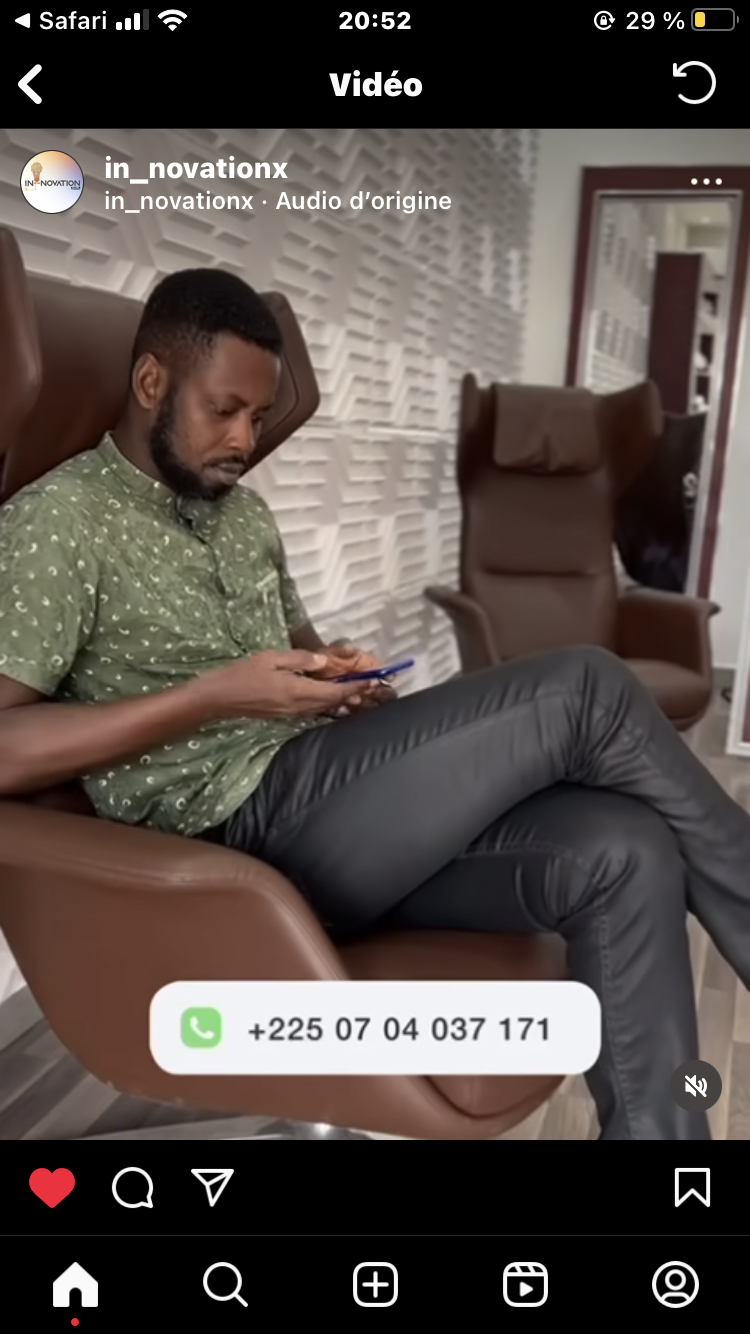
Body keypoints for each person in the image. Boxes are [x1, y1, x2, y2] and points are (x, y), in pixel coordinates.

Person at [0, 268, 748, 1142]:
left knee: (626, 847)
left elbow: (302, 649)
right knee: (587, 686)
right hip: (228, 833)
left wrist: (337, 676)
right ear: (150, 382)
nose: (244, 439)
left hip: (322, 808)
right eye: (224, 410)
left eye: (258, 417)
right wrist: (211, 698)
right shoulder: (62, 521)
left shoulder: (242, 517)